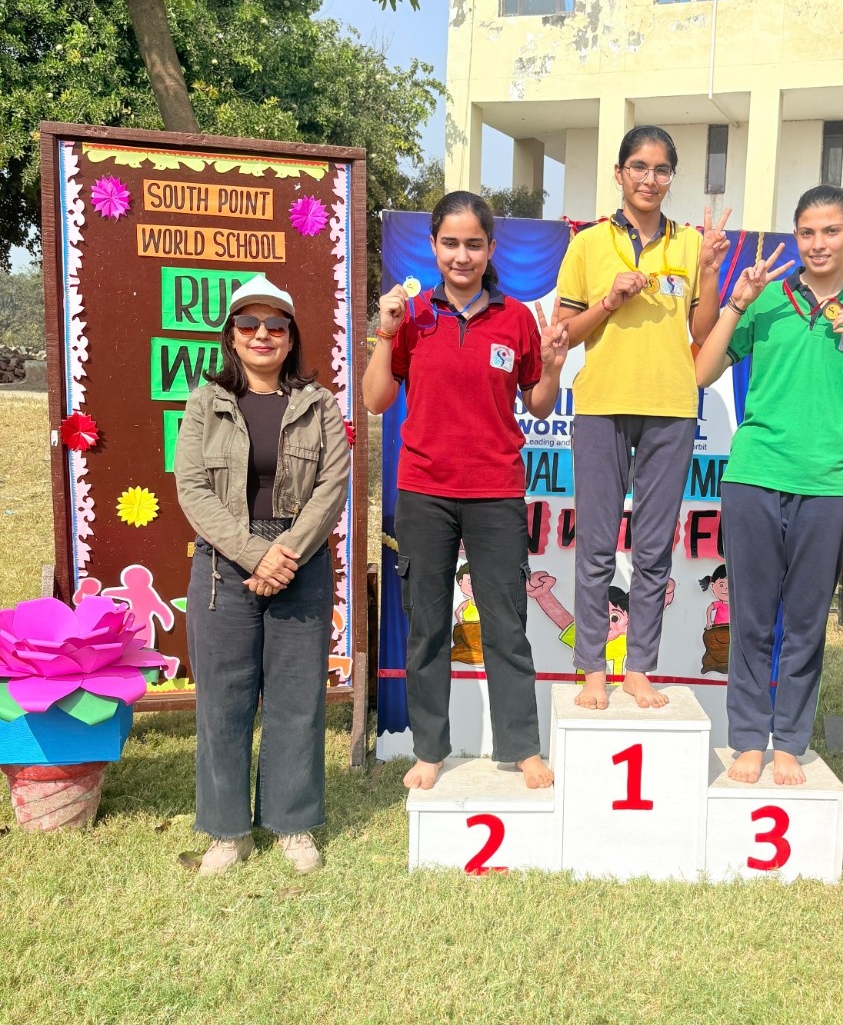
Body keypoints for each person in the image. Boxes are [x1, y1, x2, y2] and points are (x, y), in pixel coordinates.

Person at [363, 190, 569, 791]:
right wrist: (385, 334)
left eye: (473, 244)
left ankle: (521, 748)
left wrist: (553, 366)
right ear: (432, 247)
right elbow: (376, 400)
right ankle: (430, 750)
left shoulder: (516, 319)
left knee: (507, 624)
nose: (461, 255)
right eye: (450, 243)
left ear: (490, 249)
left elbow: (538, 404)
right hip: (424, 491)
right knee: (428, 626)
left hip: (495, 491)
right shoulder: (410, 316)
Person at [693, 185, 843, 785]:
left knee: (806, 620)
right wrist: (736, 303)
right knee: (751, 618)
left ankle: (790, 740)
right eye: (807, 232)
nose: (818, 243)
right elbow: (701, 372)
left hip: (830, 481)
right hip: (755, 474)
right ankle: (748, 738)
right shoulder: (766, 300)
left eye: (831, 231)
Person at [174, 275, 351, 877]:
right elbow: (192, 488)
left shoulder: (319, 403)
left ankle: (292, 824)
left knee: (297, 700)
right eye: (248, 324)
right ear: (231, 335)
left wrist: (286, 553)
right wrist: (255, 554)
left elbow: (333, 485)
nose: (262, 335)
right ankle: (228, 834)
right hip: (225, 566)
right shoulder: (206, 402)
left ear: (291, 336)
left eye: (275, 325)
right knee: (222, 702)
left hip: (300, 562)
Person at [557, 125, 726, 710]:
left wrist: (709, 269)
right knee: (596, 546)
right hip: (601, 405)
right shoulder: (588, 244)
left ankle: (639, 668)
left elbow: (702, 332)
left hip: (672, 407)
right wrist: (610, 300)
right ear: (619, 173)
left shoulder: (690, 244)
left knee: (654, 549)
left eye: (661, 170)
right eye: (639, 167)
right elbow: (563, 332)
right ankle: (592, 669)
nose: (649, 179)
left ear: (671, 178)